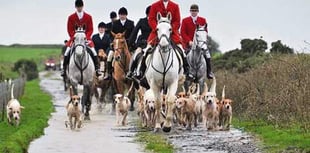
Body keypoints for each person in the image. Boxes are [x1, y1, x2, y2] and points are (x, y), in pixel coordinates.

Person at [138, 0, 190, 79]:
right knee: (147, 50)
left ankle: (186, 71)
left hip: (171, 33)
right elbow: (151, 19)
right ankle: (142, 72)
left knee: (181, 50)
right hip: (157, 32)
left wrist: (171, 28)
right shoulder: (154, 5)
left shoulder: (175, 6)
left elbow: (177, 21)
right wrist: (158, 28)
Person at [61, 0, 102, 77]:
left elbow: (90, 29)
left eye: (80, 7)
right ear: (75, 7)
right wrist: (74, 37)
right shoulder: (71, 17)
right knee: (67, 52)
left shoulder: (88, 17)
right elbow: (69, 29)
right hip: (74, 38)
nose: (79, 8)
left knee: (94, 51)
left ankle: (97, 69)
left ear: (82, 6)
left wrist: (86, 37)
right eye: (78, 7)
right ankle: (64, 69)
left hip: (86, 38)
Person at [181, 4, 214, 79]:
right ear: (190, 11)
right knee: (183, 55)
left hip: (200, 44)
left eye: (195, 11)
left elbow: (205, 32)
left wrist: (202, 42)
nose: (194, 12)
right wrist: (189, 41)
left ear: (198, 11)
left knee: (207, 55)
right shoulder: (185, 20)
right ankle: (184, 72)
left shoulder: (203, 20)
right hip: (188, 44)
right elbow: (182, 32)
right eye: (192, 11)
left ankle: (209, 72)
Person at [104, 7, 135, 80]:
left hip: (128, 45)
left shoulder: (131, 23)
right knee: (110, 56)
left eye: (123, 14)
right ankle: (109, 73)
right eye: (120, 14)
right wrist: (112, 42)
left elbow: (133, 34)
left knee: (135, 56)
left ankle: (135, 72)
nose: (122, 16)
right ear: (119, 15)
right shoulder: (115, 23)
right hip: (117, 45)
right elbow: (112, 35)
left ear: (126, 15)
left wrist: (129, 42)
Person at [126, 5, 152, 79]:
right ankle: (130, 71)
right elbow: (135, 32)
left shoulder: (157, 21)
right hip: (143, 43)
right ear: (148, 13)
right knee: (136, 53)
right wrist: (131, 43)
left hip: (154, 42)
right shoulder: (142, 21)